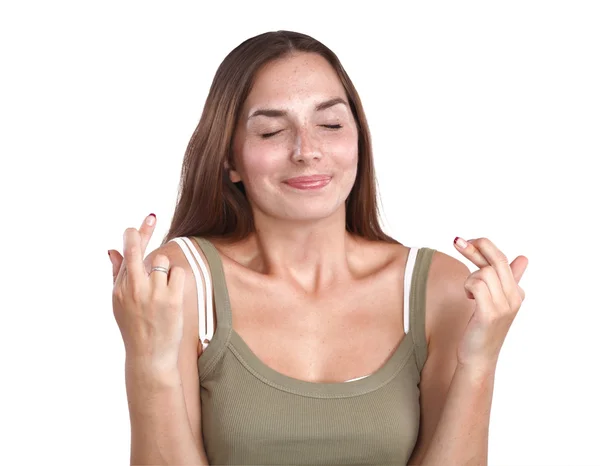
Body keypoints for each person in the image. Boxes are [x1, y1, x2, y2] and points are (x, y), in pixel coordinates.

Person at [108, 30, 528, 465]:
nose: (307, 151)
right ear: (229, 159)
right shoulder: (181, 281)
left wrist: (480, 363)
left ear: (359, 140)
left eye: (330, 125)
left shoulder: (441, 290)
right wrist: (149, 362)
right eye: (271, 131)